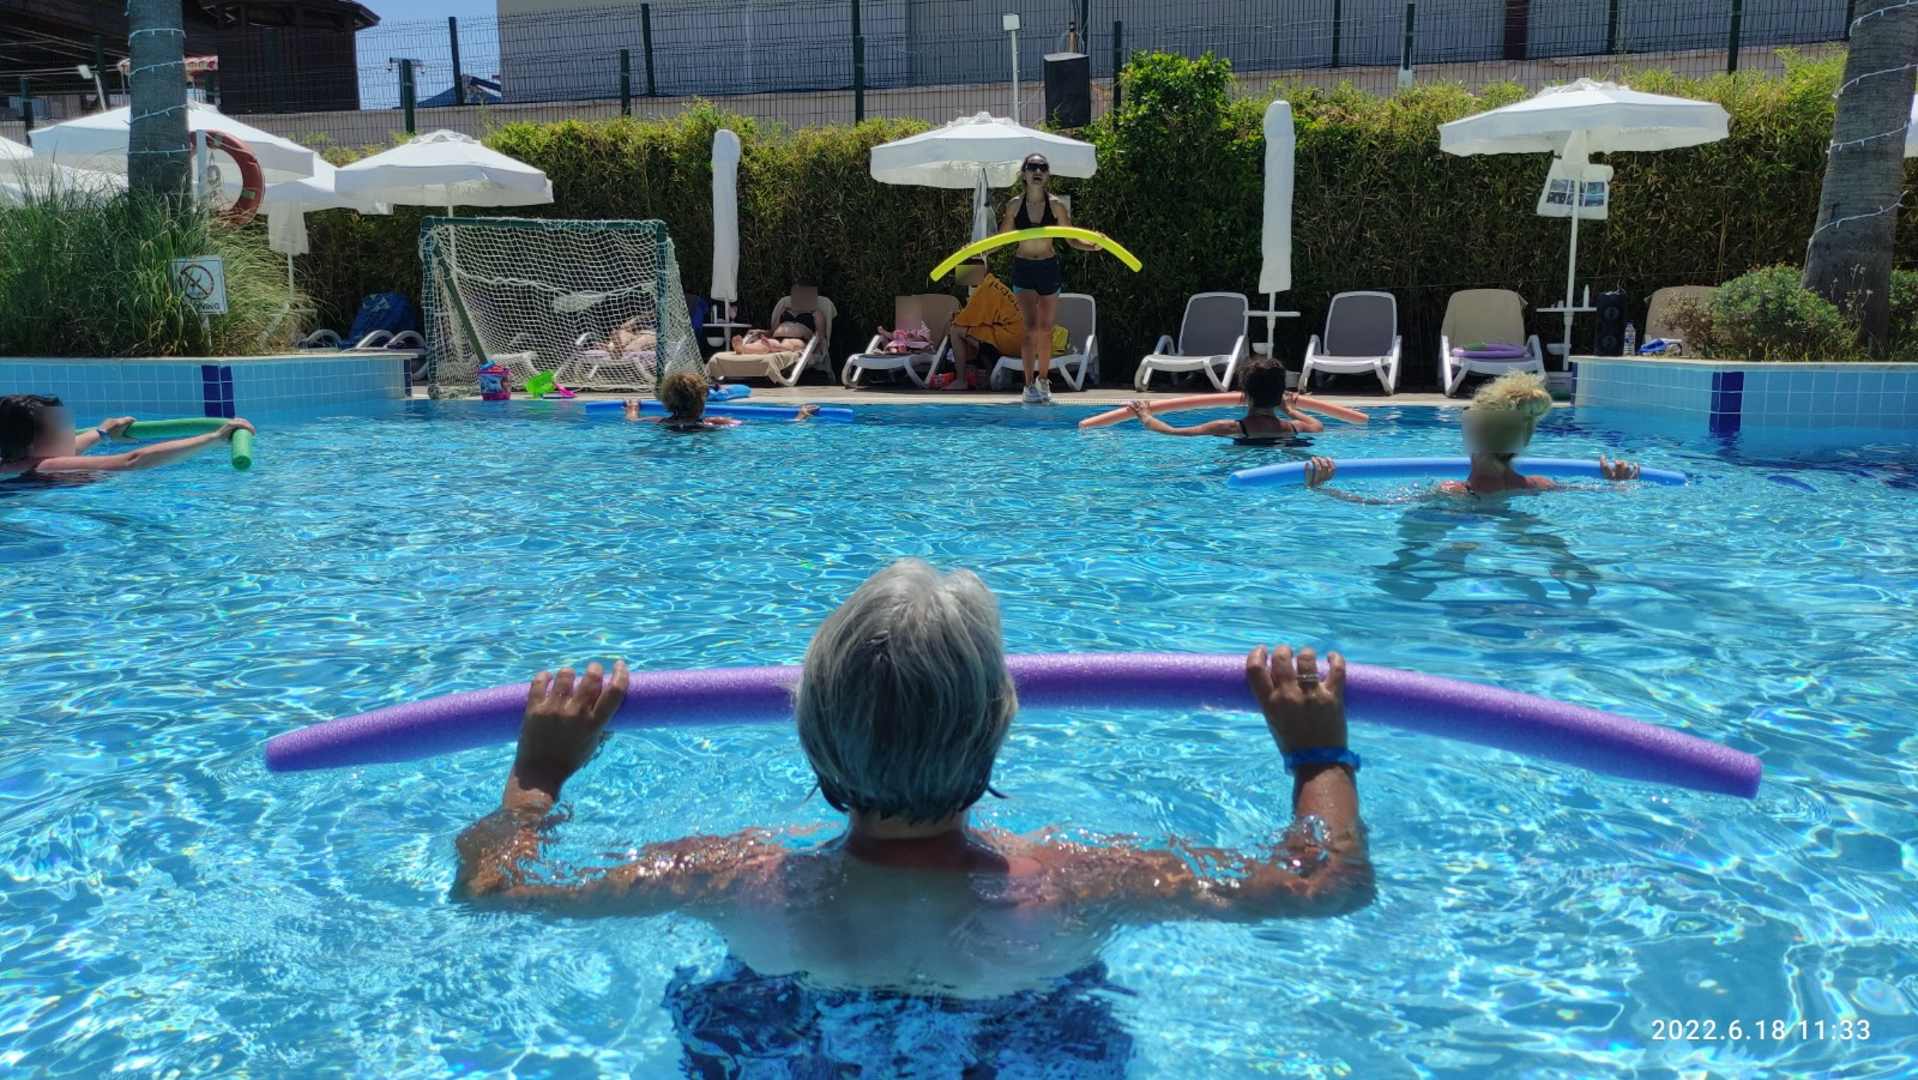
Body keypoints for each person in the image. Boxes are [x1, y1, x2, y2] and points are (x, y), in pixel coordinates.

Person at [453, 559, 1373, 1003]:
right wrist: (1316, 755)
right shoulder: (1084, 880)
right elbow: (1325, 888)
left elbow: (495, 891)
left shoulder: (727, 875)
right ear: (997, 729)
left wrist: (540, 773)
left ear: (812, 736)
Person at [1305, 371, 1639, 498]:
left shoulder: (1452, 493)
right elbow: (1592, 491)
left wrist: (1323, 488)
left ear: (1473, 433)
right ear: (1524, 438)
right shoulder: (1541, 486)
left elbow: (1375, 503)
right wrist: (1619, 483)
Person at [1002, 154, 1097, 403]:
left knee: (1045, 330)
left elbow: (1071, 239)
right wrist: (977, 250)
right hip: (1024, 268)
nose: (1037, 171)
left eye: (1042, 168)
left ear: (1047, 175)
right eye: (1032, 167)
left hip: (1048, 268)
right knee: (1030, 328)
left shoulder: (1056, 206)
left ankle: (1043, 381)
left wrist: (1093, 245)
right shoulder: (1014, 205)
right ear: (1024, 173)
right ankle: (1028, 385)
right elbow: (1000, 239)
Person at [0, 394, 255, 479]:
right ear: (31, 441)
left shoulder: (13, 461)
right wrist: (214, 438)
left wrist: (102, 432)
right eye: (56, 428)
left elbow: (66, 449)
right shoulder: (45, 467)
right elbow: (132, 461)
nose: (66, 432)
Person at [1123, 357, 1324, 443]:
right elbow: (1318, 426)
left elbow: (1173, 432)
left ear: (1245, 395)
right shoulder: (1295, 427)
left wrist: (1145, 416)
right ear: (1280, 394)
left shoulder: (1227, 427)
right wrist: (1290, 411)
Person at [934, 255, 1024, 392]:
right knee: (979, 333)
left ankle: (961, 380)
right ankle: (988, 375)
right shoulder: (994, 284)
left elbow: (963, 320)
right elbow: (977, 318)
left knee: (956, 330)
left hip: (1013, 340)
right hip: (1021, 338)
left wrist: (952, 318)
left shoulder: (985, 289)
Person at [624, 370, 817, 432]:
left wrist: (632, 408)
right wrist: (801, 416)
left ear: (667, 400)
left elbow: (632, 421)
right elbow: (766, 425)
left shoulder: (659, 422)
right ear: (702, 400)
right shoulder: (715, 422)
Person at [730, 283, 829, 355]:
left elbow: (819, 337)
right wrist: (760, 332)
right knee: (763, 344)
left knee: (790, 344)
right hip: (777, 337)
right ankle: (742, 348)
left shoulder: (816, 313)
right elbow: (772, 331)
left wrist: (813, 350)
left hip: (800, 340)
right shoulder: (785, 310)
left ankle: (777, 348)